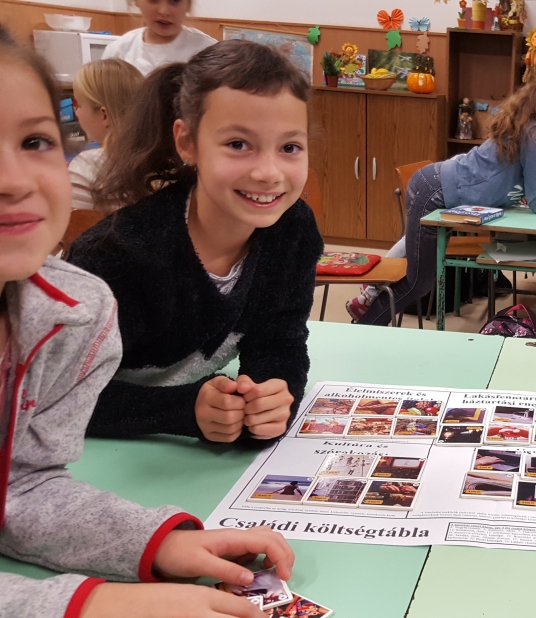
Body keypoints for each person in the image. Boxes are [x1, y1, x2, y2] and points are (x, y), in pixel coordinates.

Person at [0, 26, 292, 618]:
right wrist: (88, 606)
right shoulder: (115, 266)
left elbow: (19, 489)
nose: (15, 180)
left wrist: (160, 543)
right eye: (239, 144)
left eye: (35, 141)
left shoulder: (65, 312)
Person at [68, 40, 324, 445]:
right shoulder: (116, 257)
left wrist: (270, 400)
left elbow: (279, 342)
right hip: (88, 455)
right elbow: (54, 395)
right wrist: (184, 410)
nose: (269, 172)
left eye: (289, 147)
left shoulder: (292, 229)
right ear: (187, 142)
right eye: (238, 144)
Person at [355, 70, 536, 327]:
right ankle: (365, 323)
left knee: (419, 277)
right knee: (419, 282)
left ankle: (368, 306)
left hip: (438, 188)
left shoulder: (533, 129)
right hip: (434, 190)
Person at [344, 123, 536, 321]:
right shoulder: (534, 137)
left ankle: (370, 298)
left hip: (452, 193)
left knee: (417, 275)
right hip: (443, 190)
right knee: (418, 278)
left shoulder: (534, 136)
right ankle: (371, 295)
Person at [68, 58, 144, 210]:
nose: (76, 113)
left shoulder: (86, 167)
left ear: (104, 115)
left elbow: (75, 224)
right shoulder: (162, 161)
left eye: (79, 105)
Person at [102, 0, 216, 76]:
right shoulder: (117, 51)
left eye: (175, 0)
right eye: (153, 0)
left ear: (188, 5)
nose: (164, 11)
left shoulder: (208, 51)